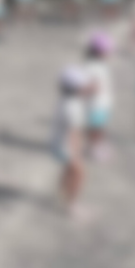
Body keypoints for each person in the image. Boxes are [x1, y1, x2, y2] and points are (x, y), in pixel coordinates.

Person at [52, 68, 88, 217]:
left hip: (57, 143)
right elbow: (74, 134)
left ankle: (62, 194)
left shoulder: (65, 100)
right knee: (79, 174)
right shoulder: (73, 107)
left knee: (68, 170)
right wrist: (76, 154)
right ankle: (72, 204)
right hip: (66, 147)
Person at [82, 33, 115, 159]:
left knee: (99, 127)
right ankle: (93, 147)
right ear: (100, 52)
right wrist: (95, 89)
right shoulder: (92, 66)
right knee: (95, 128)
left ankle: (96, 145)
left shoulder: (99, 65)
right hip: (95, 104)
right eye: (107, 52)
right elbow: (91, 85)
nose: (109, 54)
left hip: (102, 103)